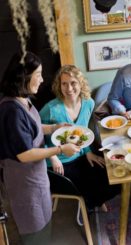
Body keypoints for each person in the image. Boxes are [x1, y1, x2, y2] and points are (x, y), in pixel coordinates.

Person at [0, 52, 79, 238]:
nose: (42, 79)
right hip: (24, 183)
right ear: (24, 76)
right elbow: (24, 154)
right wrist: (60, 149)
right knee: (34, 231)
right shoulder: (11, 110)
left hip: (37, 177)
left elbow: (33, 128)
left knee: (44, 223)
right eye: (38, 74)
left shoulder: (23, 99)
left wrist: (54, 127)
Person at [40, 65, 120, 210]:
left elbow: (83, 132)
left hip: (80, 155)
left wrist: (88, 151)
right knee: (92, 186)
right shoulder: (51, 109)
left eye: (73, 83)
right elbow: (35, 135)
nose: (69, 88)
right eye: (64, 83)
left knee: (114, 176)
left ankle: (94, 201)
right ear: (59, 85)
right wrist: (53, 157)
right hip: (59, 163)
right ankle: (90, 205)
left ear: (80, 83)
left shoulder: (88, 103)